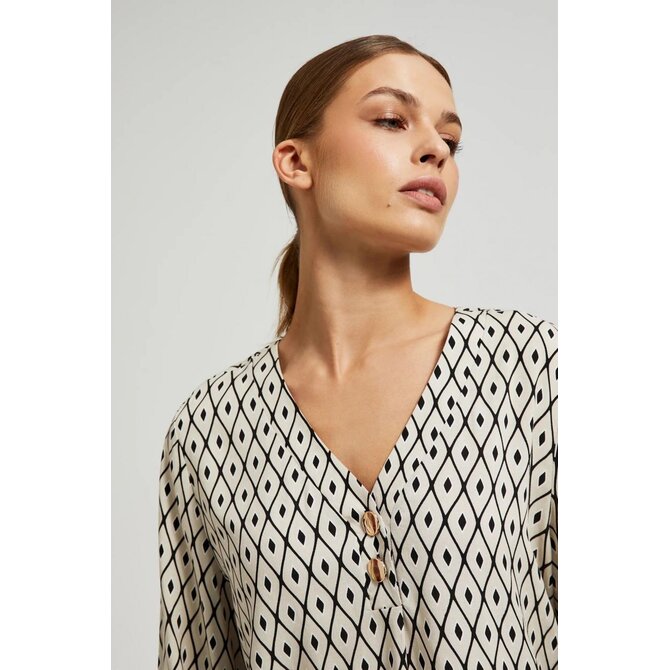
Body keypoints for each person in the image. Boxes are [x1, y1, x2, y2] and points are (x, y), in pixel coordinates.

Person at [157, 34, 558, 670]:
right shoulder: (207, 433)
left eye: (450, 140)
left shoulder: (529, 366)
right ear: (296, 162)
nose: (436, 149)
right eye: (392, 120)